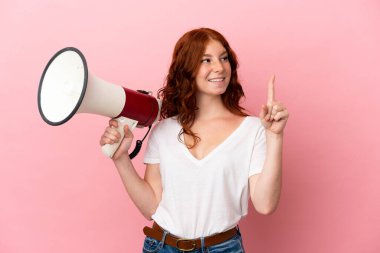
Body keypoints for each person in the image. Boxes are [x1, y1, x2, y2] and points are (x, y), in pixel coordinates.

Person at [99, 27, 289, 253]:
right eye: (206, 60)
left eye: (224, 58)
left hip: (223, 248)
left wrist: (275, 136)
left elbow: (265, 204)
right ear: (187, 69)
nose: (219, 67)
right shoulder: (163, 130)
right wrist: (121, 159)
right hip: (162, 247)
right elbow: (151, 207)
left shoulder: (254, 129)